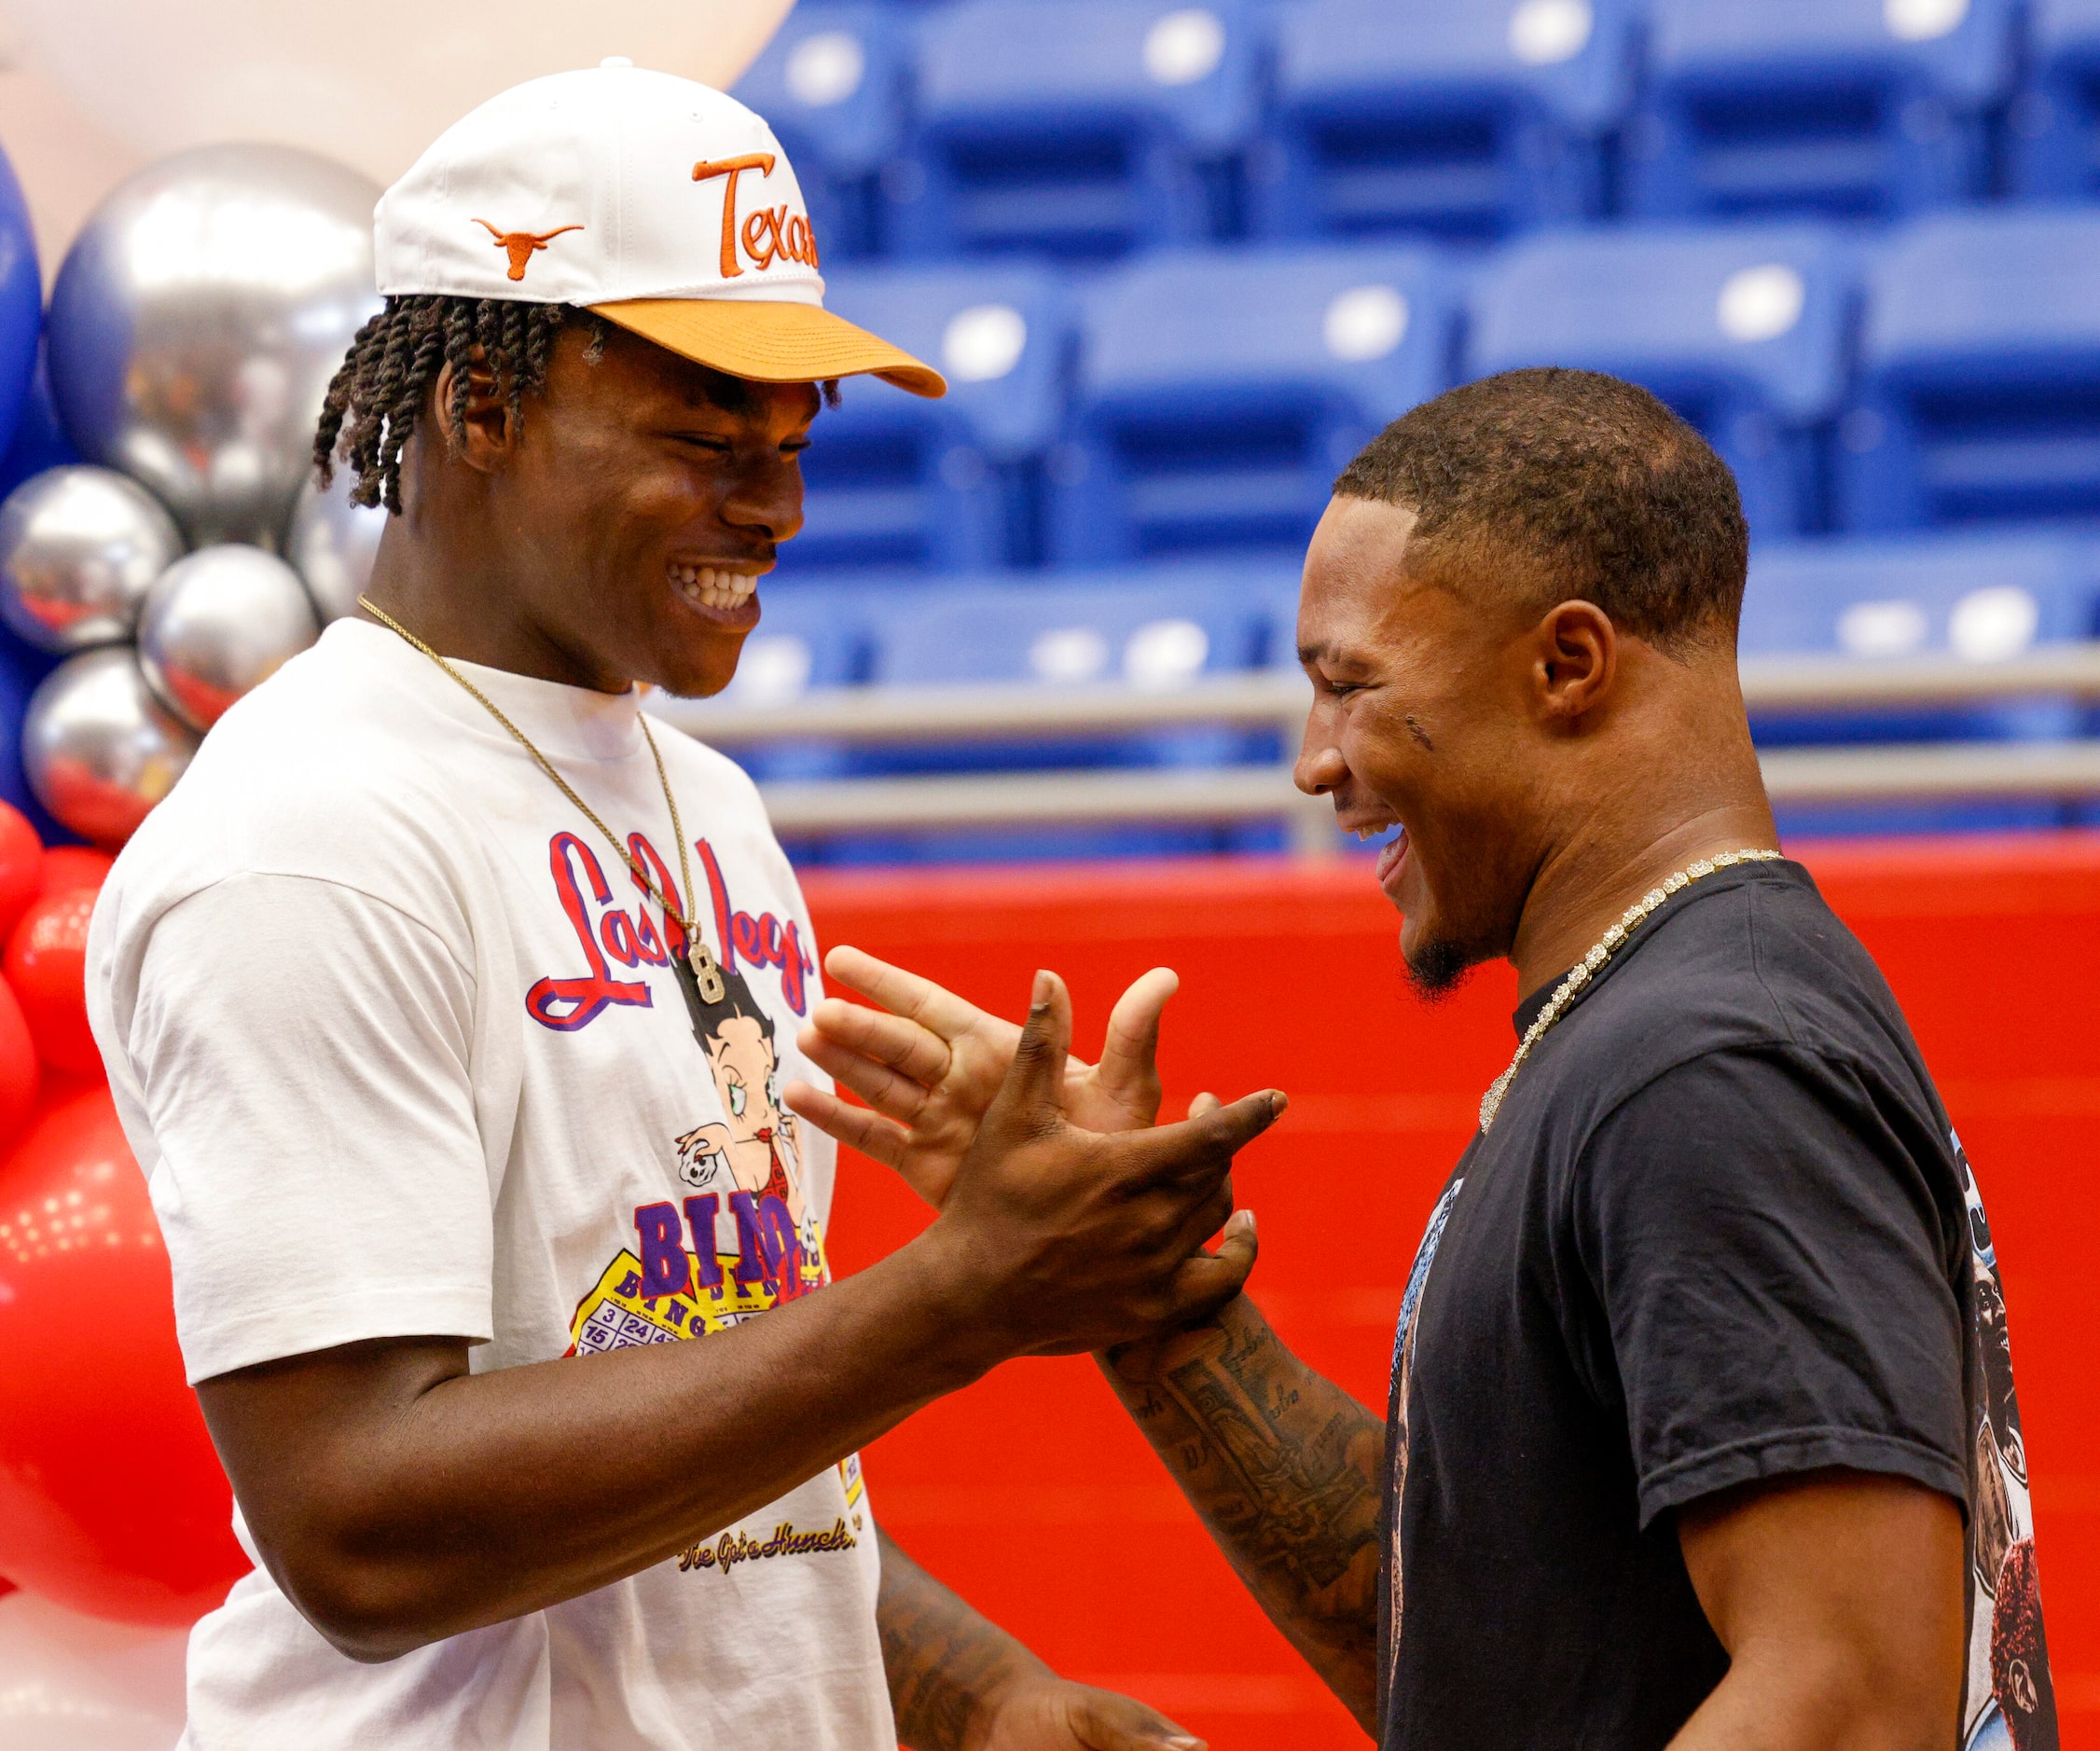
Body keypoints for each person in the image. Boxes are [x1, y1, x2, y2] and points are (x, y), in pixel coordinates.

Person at [85, 63, 1286, 1751]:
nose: (777, 504)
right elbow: (359, 1523)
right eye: (705, 438)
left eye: (794, 445)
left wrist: (994, 1699)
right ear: (475, 409)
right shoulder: (311, 836)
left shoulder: (703, 805)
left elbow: (713, 1446)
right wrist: (964, 1294)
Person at [788, 369, 2061, 1750]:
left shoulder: (1705, 1062)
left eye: (1350, 684)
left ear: (1567, 665)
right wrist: (1152, 1303)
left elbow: (1851, 1705)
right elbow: (1482, 1643)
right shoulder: (1663, 1025)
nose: (1312, 761)